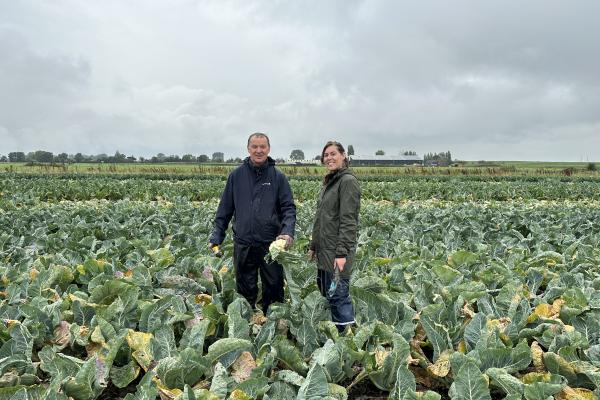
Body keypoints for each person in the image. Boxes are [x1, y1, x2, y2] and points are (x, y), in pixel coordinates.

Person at [209, 132, 296, 313]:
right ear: (248, 149)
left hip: (270, 245)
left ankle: (273, 325)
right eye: (254, 147)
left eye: (262, 147)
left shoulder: (278, 177)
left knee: (273, 288)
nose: (258, 150)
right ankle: (246, 325)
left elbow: (288, 208)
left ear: (268, 149)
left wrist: (287, 231)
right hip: (244, 243)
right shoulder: (236, 176)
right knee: (245, 289)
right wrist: (217, 235)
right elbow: (225, 209)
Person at [308, 141, 360, 332]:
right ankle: (336, 335)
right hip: (325, 251)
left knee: (338, 296)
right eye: (326, 155)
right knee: (327, 293)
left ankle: (346, 343)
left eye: (333, 154)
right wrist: (314, 245)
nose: (329, 158)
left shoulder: (347, 182)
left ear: (343, 156)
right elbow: (322, 218)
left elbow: (348, 221)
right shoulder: (331, 182)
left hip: (337, 253)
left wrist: (341, 253)